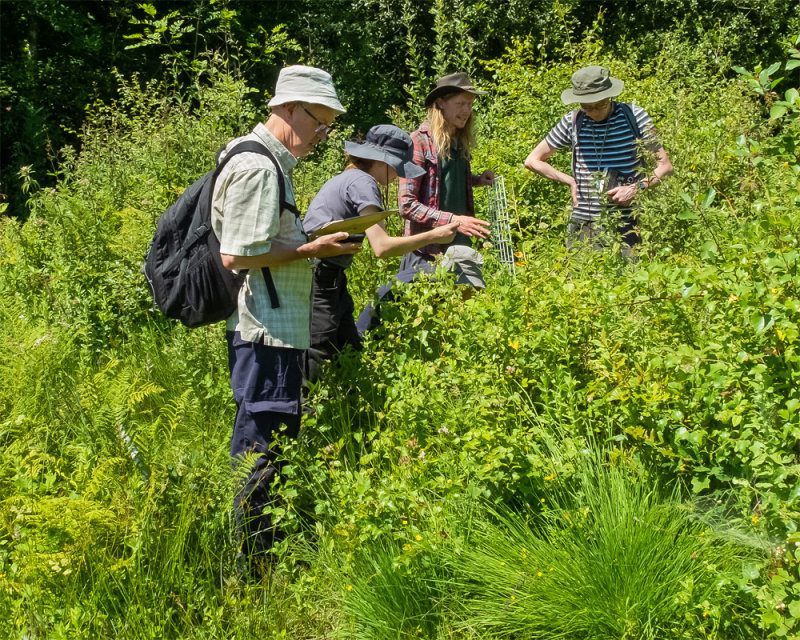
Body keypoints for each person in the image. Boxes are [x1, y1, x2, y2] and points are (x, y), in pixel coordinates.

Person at [211, 65, 360, 567]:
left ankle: (258, 549)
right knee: (262, 445)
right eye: (320, 120)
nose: (323, 133)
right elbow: (237, 254)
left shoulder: (270, 162)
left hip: (276, 326)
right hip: (266, 330)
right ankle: (255, 562)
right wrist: (309, 248)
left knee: (267, 439)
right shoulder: (258, 167)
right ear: (291, 108)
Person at [303, 125, 460, 384]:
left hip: (329, 276)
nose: (399, 175)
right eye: (397, 166)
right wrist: (434, 235)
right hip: (319, 276)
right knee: (316, 351)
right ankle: (302, 416)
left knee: (349, 347)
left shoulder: (349, 177)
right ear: (381, 161)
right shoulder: (364, 182)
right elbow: (382, 247)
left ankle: (349, 409)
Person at [524, 65, 673, 257]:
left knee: (628, 280)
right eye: (586, 106)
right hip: (585, 224)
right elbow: (532, 160)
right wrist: (569, 180)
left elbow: (665, 167)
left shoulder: (634, 117)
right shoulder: (573, 121)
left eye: (599, 105)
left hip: (628, 222)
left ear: (609, 97)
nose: (593, 112)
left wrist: (635, 188)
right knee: (581, 282)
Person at [397, 71, 495, 285]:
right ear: (440, 103)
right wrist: (453, 220)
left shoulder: (458, 141)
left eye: (470, 104)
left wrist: (477, 180)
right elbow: (406, 204)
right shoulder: (418, 143)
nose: (467, 111)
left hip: (460, 245)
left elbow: (443, 182)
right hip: (426, 251)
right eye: (461, 103)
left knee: (464, 311)